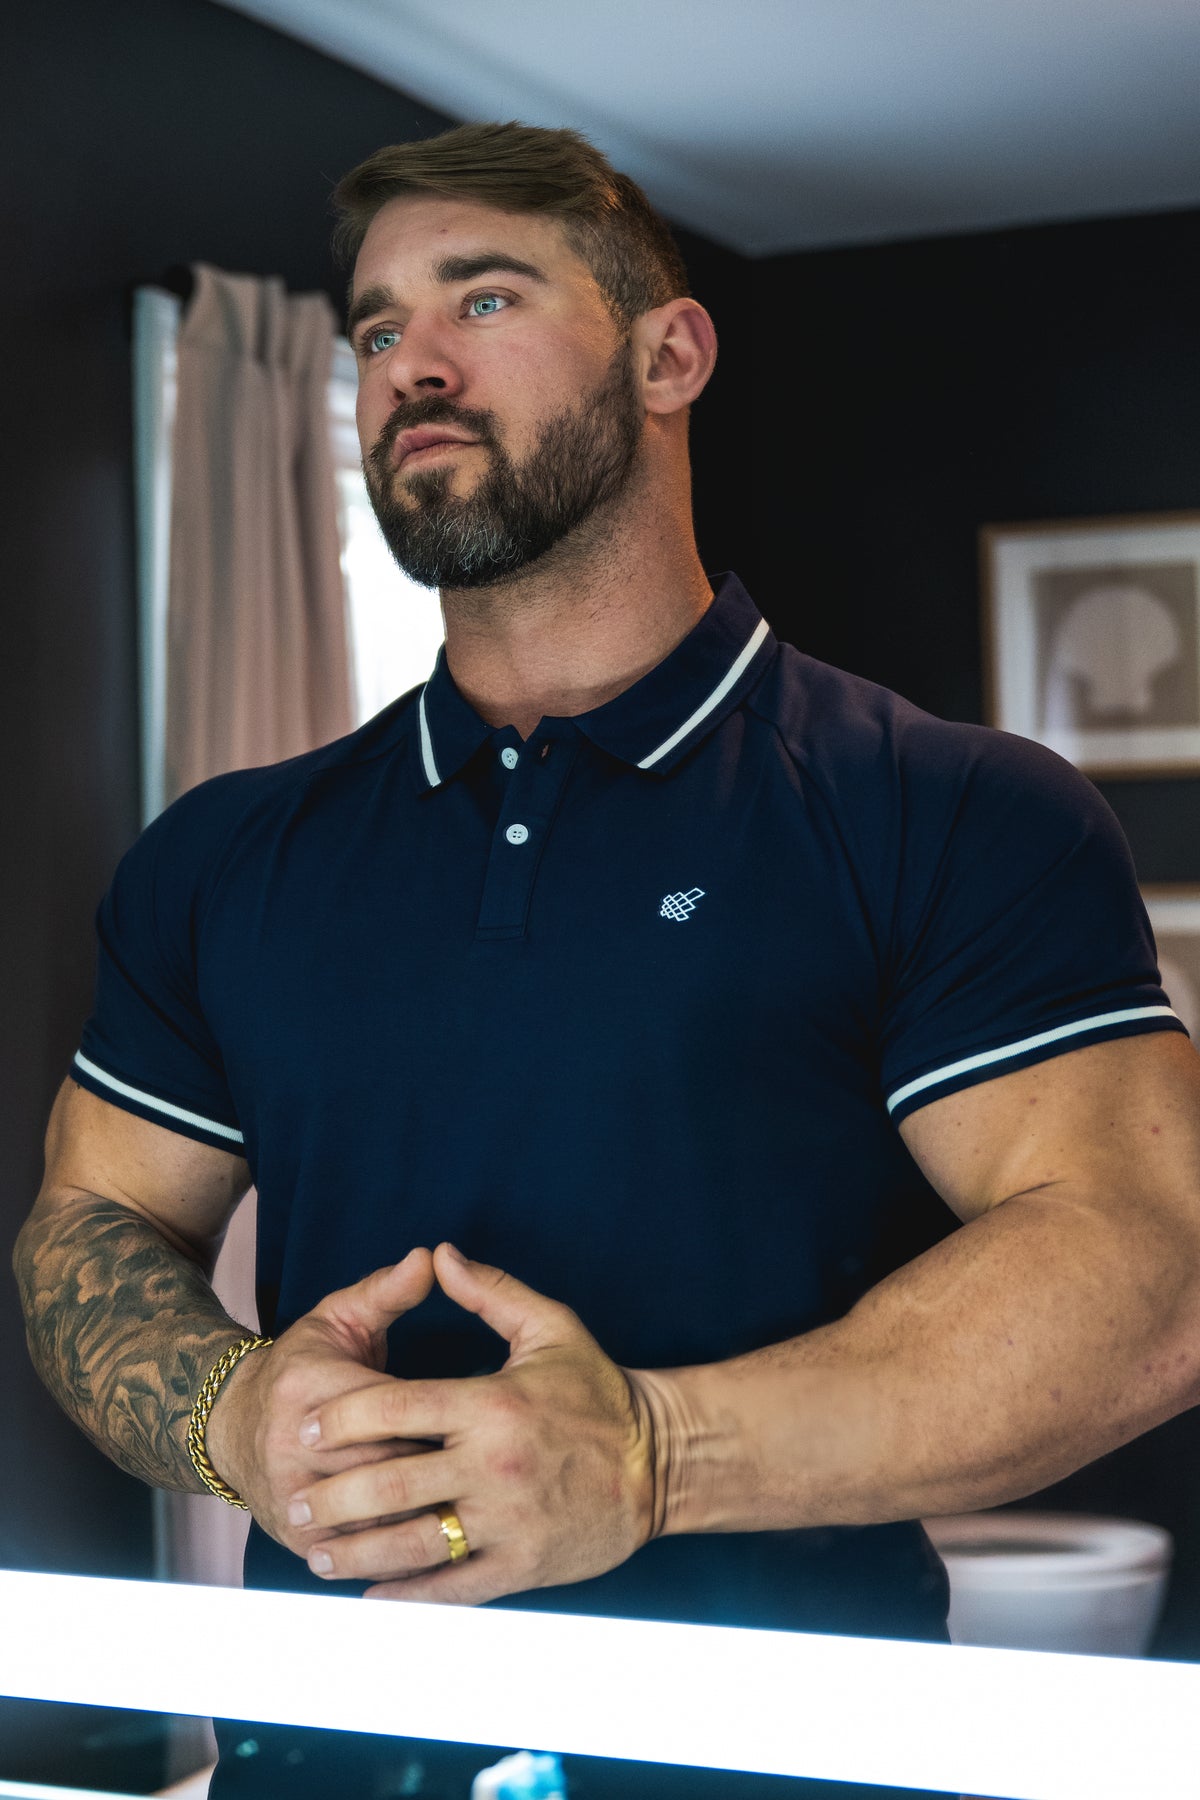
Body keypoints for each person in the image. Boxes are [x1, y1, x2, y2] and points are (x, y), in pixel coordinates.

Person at [15, 120, 1200, 1800]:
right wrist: (232, 1417)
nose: (411, 363)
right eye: (375, 328)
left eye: (483, 299)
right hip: (324, 1762)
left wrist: (650, 1454)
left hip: (789, 1770)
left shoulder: (947, 811)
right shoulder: (226, 855)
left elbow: (1149, 1273)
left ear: (669, 356)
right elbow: (93, 1219)